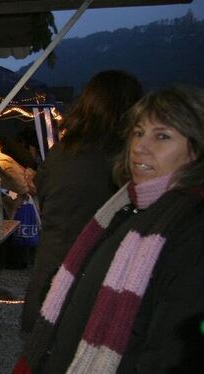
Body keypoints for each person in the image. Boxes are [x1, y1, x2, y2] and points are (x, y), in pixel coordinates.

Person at [14, 85, 204, 373]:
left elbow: (170, 350)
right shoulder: (124, 204)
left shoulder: (190, 229)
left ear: (196, 150)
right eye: (138, 133)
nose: (140, 146)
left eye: (162, 136)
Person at [21, 70, 143, 333]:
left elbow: (46, 195)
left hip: (50, 277)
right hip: (97, 284)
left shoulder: (61, 153)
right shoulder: (124, 161)